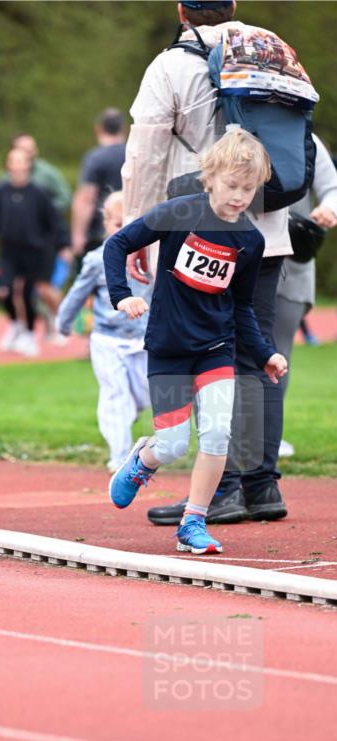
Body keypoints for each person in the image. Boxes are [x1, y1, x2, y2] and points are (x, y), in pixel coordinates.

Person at [122, 0, 301, 526]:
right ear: (234, 6)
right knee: (257, 355)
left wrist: (136, 228)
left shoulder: (171, 66)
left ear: (181, 11)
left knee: (206, 347)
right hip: (268, 229)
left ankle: (222, 489)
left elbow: (145, 153)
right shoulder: (272, 50)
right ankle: (262, 486)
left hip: (199, 232)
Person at [104, 131, 287, 556]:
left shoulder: (250, 241)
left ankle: (193, 522)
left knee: (218, 433)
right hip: (169, 349)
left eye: (248, 189)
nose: (239, 197)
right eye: (231, 185)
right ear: (210, 177)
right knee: (171, 445)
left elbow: (242, 307)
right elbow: (118, 244)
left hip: (216, 349)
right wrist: (122, 295)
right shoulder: (178, 213)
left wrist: (265, 353)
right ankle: (143, 460)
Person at [57, 192, 150, 472]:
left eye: (131, 225)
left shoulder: (152, 257)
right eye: (118, 224)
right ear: (106, 223)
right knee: (115, 395)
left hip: (144, 341)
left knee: (144, 395)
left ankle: (125, 415)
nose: (125, 232)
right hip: (107, 339)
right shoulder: (97, 260)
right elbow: (78, 292)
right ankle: (119, 458)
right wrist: (64, 322)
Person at [273, 135, 337, 457]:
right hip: (235, 262)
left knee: (277, 356)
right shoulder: (234, 128)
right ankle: (229, 441)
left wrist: (328, 208)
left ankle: (269, 438)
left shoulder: (305, 140)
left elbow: (332, 188)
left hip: (291, 264)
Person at [0, 147, 70, 357]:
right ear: (8, 165)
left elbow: (54, 222)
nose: (17, 166)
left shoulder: (38, 193)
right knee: (4, 290)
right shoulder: (1, 191)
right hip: (9, 251)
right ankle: (16, 325)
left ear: (28, 165)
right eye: (13, 161)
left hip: (34, 252)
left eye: (21, 161)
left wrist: (63, 245)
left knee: (28, 294)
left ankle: (31, 335)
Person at [11, 133, 73, 337]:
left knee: (44, 287)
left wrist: (41, 212)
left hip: (44, 241)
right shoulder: (7, 179)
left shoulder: (47, 174)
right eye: (23, 149)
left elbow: (65, 197)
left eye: (31, 149)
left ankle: (65, 320)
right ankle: (23, 330)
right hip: (20, 243)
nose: (28, 154)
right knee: (17, 288)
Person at [71, 108, 127, 259]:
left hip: (100, 233)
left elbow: (86, 199)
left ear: (99, 128)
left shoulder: (95, 158)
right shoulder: (134, 154)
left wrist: (78, 235)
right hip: (132, 229)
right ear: (123, 129)